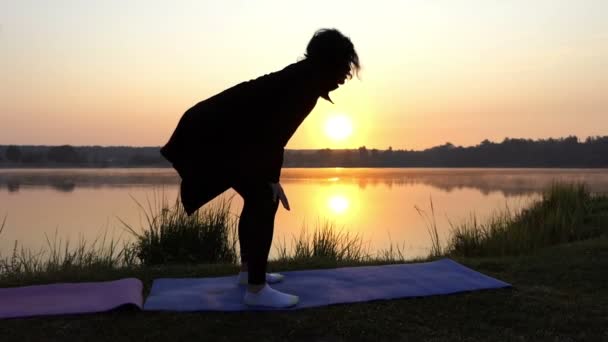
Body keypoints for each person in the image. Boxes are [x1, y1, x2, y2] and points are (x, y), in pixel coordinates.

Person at [160, 28, 360, 308]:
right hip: (207, 135)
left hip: (221, 135)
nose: (346, 74)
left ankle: (248, 274)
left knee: (259, 197)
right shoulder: (302, 85)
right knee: (265, 199)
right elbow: (272, 136)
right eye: (343, 65)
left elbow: (268, 135)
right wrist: (271, 179)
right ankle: (256, 289)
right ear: (328, 61)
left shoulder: (304, 80)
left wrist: (269, 177)